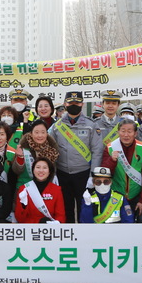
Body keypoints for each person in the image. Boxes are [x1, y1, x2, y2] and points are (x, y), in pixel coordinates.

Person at [49, 91, 102, 223]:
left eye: (77, 102)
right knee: (66, 210)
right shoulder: (56, 126)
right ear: (65, 104)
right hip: (62, 174)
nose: (74, 105)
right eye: (70, 103)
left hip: (83, 174)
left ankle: (83, 239)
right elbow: (50, 151)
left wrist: (92, 175)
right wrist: (53, 173)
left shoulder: (91, 125)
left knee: (84, 208)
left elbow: (97, 151)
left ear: (82, 104)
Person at [102, 118, 142, 219]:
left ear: (135, 133)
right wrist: (112, 160)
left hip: (137, 195)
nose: (126, 135)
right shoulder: (110, 147)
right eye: (123, 131)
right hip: (116, 195)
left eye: (129, 131)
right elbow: (104, 174)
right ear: (118, 132)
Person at [15, 157, 66, 224]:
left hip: (50, 228)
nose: (41, 170)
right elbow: (19, 218)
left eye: (45, 168)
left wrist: (55, 223)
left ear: (49, 171)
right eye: (38, 167)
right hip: (30, 229)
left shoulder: (56, 190)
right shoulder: (24, 189)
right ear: (33, 170)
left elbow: (61, 216)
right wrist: (23, 206)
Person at [12, 119, 59, 189]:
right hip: (25, 187)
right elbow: (17, 170)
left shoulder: (51, 149)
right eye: (36, 132)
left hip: (46, 188)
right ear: (31, 133)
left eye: (43, 132)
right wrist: (20, 157)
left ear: (47, 133)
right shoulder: (24, 146)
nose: (40, 135)